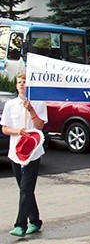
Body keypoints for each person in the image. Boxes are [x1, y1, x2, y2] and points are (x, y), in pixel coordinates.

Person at [1, 72, 48, 237]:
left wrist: (31, 110)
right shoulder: (10, 105)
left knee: (26, 189)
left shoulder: (38, 102)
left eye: (24, 82)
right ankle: (35, 221)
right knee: (25, 189)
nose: (22, 84)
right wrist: (16, 131)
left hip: (33, 153)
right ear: (16, 85)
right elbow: (4, 128)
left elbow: (40, 125)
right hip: (16, 152)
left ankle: (20, 224)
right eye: (19, 82)